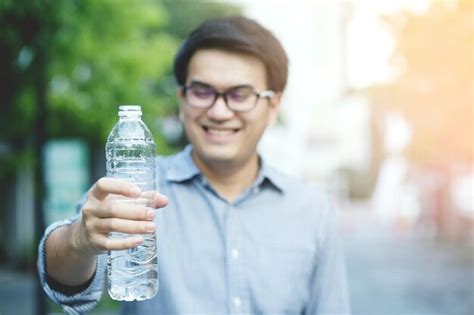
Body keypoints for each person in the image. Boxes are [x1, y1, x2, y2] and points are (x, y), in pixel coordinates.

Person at [38, 16, 350, 314]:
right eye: (202, 91)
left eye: (240, 95)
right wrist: (79, 240)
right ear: (182, 98)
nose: (218, 111)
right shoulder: (136, 188)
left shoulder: (313, 211)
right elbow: (67, 288)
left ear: (273, 106)